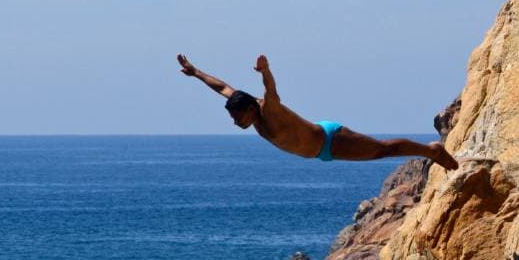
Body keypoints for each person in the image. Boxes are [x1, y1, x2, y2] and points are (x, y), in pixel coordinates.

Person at [176, 53, 458, 170]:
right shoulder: (243, 104)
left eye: (238, 117)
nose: (236, 123)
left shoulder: (268, 110)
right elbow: (222, 87)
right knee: (378, 152)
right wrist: (195, 72)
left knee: (381, 150)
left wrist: (266, 70)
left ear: (250, 108)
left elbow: (271, 91)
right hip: (318, 151)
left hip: (330, 140)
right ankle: (430, 151)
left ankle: (432, 150)